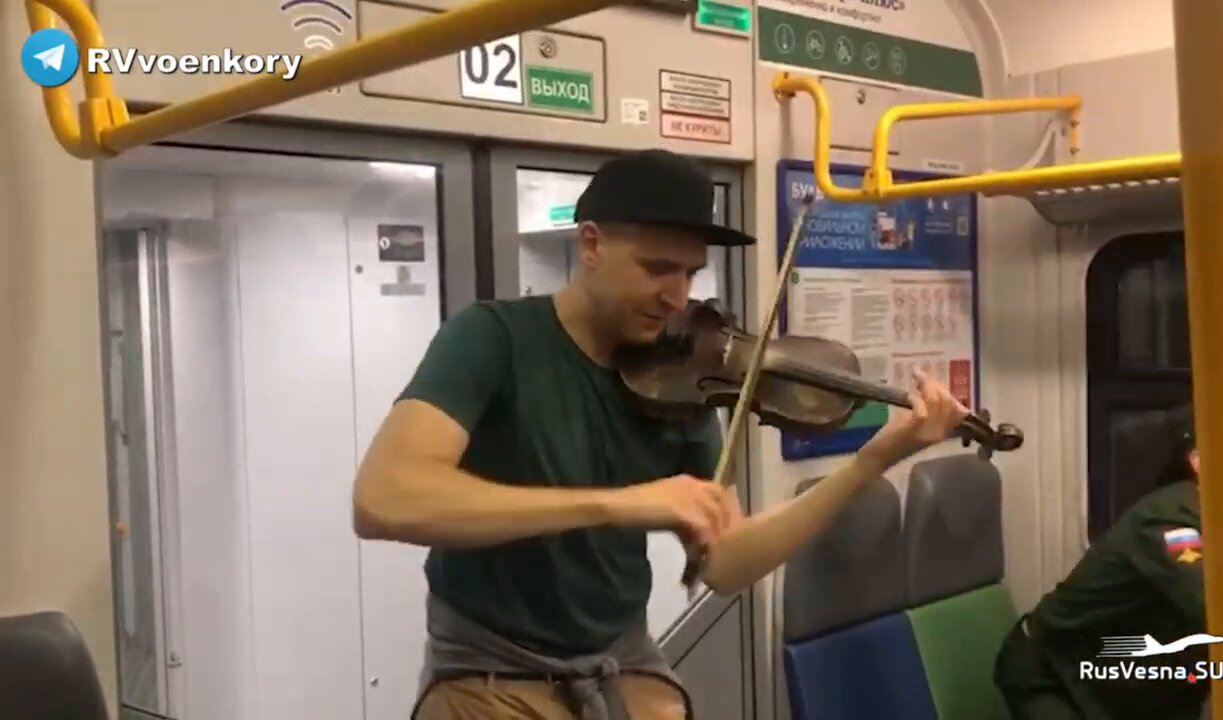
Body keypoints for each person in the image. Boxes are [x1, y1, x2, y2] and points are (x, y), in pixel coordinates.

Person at [351, 148, 971, 720]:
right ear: (590, 244)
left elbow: (726, 563)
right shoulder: (492, 339)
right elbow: (385, 498)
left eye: (690, 274)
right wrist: (619, 504)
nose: (677, 297)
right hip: (493, 674)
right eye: (657, 269)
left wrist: (871, 461)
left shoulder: (680, 381)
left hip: (620, 664)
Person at [993, 408, 1223, 720]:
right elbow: (1222, 610)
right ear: (1199, 463)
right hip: (1058, 678)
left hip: (1146, 687)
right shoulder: (1170, 519)